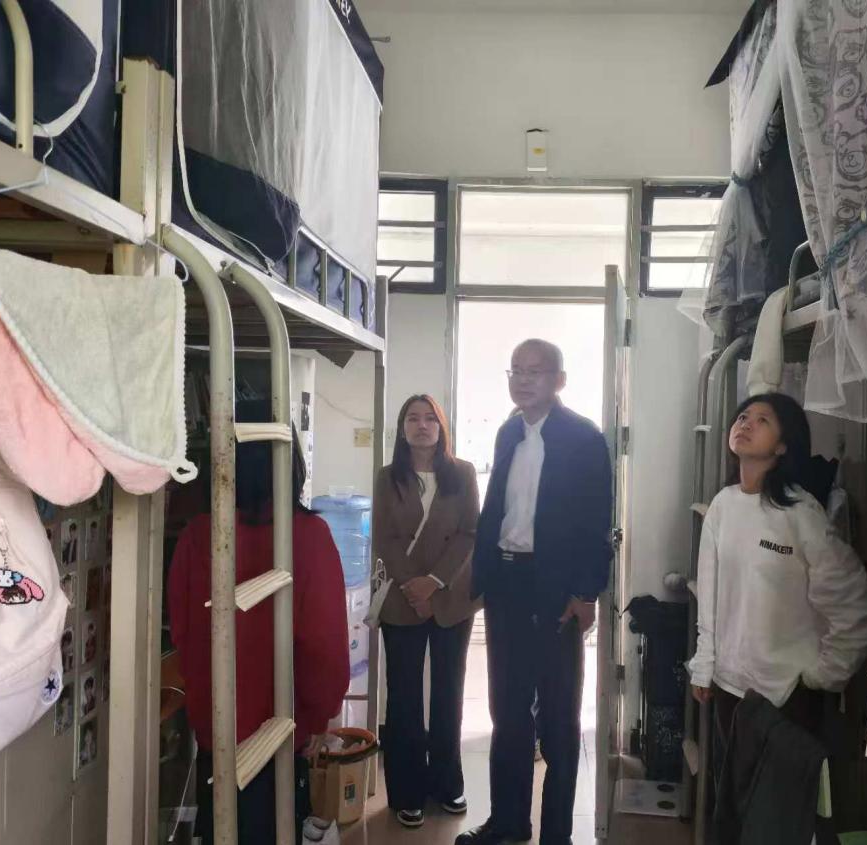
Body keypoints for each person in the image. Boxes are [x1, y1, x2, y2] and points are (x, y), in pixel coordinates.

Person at [169, 399, 350, 845]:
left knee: (222, 827)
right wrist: (318, 717)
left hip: (218, 727)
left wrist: (204, 711)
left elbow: (184, 634)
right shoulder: (309, 536)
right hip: (283, 731)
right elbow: (324, 645)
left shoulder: (198, 535)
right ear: (288, 460)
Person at [457, 339, 612, 845]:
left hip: (556, 590)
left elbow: (596, 522)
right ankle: (508, 822)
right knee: (507, 711)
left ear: (559, 381)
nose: (523, 381)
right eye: (516, 371)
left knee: (559, 718)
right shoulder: (508, 432)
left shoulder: (584, 438)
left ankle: (556, 835)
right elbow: (497, 508)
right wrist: (483, 577)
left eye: (536, 372)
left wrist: (585, 593)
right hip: (507, 585)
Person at [688, 393, 867, 750]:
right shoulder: (723, 505)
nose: (746, 424)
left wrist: (823, 675)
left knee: (781, 788)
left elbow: (854, 606)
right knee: (733, 785)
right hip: (729, 688)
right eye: (743, 417)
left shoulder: (801, 514)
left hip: (786, 696)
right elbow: (710, 597)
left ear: (782, 446)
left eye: (762, 420)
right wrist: (704, 665)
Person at [374, 394, 480, 829]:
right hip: (403, 599)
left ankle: (447, 783)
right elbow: (385, 538)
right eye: (413, 419)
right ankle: (406, 791)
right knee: (403, 697)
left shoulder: (463, 473)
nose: (422, 426)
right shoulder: (387, 477)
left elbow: (470, 532)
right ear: (402, 429)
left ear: (441, 427)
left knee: (448, 692)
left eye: (430, 419)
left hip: (453, 597)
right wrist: (413, 586)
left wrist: (434, 582)